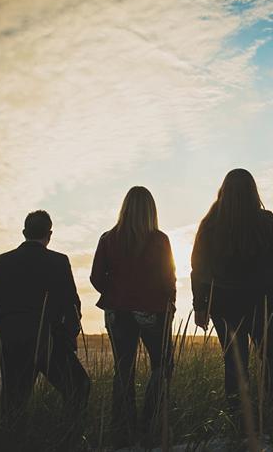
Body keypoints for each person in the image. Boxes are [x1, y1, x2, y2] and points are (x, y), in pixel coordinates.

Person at [191, 168, 273, 411]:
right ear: (253, 192)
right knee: (272, 358)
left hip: (224, 305)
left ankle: (240, 418)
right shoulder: (269, 223)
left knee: (234, 363)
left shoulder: (209, 226)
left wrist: (200, 307)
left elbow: (199, 270)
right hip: (263, 301)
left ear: (223, 192)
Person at [0, 210, 90, 433]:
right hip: (50, 342)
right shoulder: (58, 262)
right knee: (79, 386)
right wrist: (68, 337)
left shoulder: (0, 262)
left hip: (12, 343)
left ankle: (14, 444)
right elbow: (72, 306)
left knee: (13, 407)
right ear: (49, 234)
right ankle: (67, 438)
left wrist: (3, 331)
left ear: (23, 232)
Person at [90, 186, 176, 448]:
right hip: (152, 310)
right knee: (162, 367)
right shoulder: (159, 240)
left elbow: (95, 277)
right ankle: (149, 423)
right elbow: (168, 277)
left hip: (117, 311)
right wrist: (168, 302)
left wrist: (116, 293)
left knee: (123, 370)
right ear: (151, 210)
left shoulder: (108, 238)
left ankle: (122, 431)